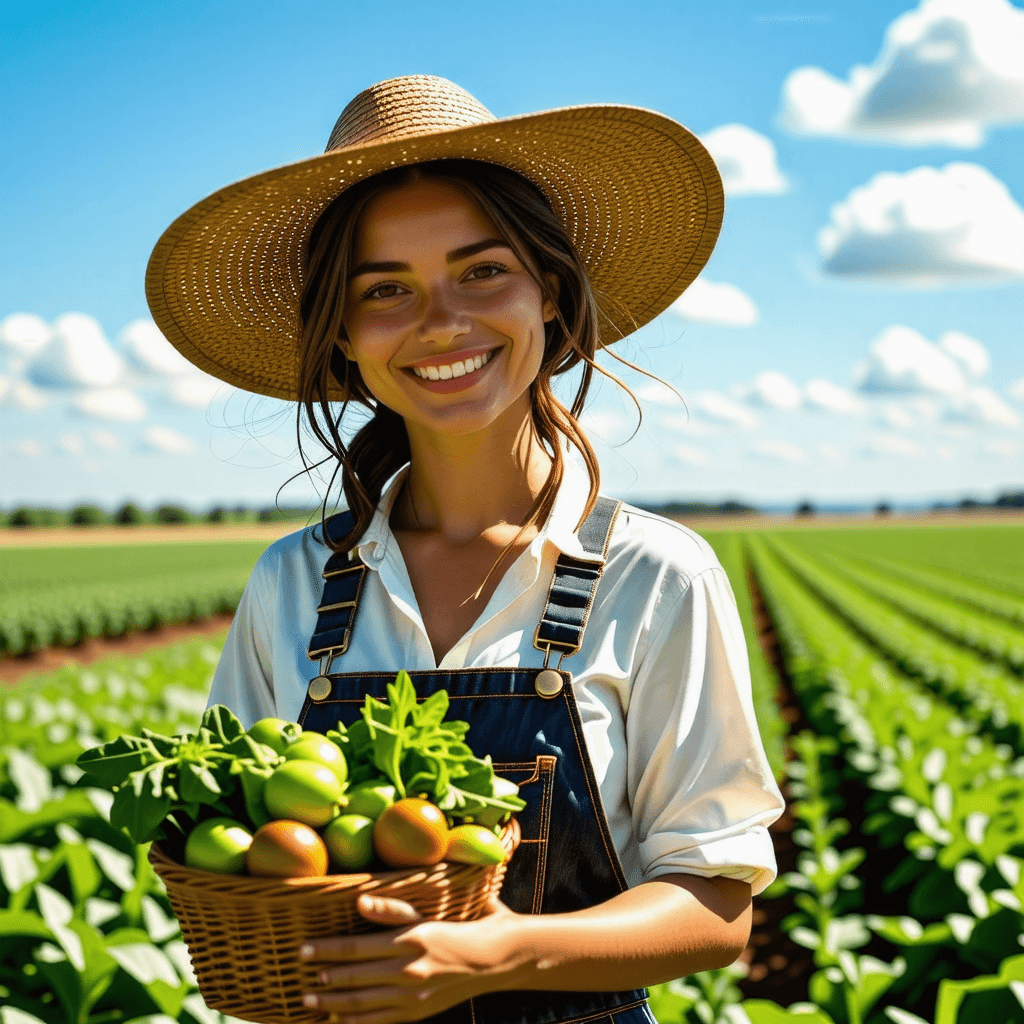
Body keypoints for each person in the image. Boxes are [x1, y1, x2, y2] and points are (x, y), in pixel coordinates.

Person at [146, 75, 785, 1024]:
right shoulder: (292, 583)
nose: (441, 322)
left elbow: (717, 905)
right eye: (385, 289)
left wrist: (501, 953)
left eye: (482, 270)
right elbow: (229, 848)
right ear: (345, 338)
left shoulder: (656, 577)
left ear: (551, 295)